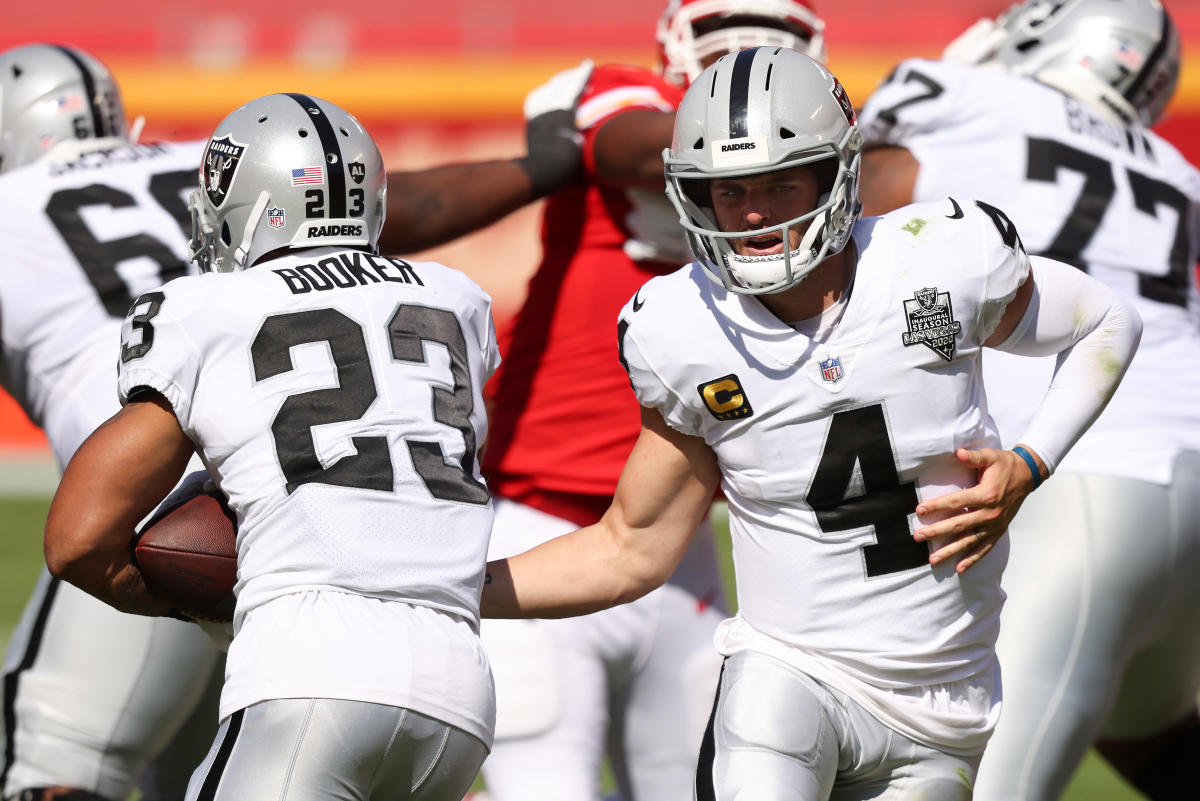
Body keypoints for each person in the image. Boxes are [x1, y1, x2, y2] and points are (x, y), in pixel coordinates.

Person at [478, 46, 1142, 800]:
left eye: (780, 183)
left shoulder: (941, 259)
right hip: (789, 674)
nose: (753, 212)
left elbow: (1105, 321)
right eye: (728, 191)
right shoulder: (679, 328)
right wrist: (442, 583)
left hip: (944, 702)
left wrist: (1030, 461)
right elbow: (631, 547)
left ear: (836, 172)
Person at [383, 5, 828, 800]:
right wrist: (765, 141)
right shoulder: (621, 97)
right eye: (729, 25)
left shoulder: (819, 171)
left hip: (680, 541)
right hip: (537, 519)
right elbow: (626, 144)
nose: (751, 47)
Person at [41, 92, 499, 799]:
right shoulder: (457, 299)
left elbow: (76, 537)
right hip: (459, 695)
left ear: (252, 205)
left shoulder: (208, 311)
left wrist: (169, 599)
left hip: (310, 669)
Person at [855, 1, 1200, 798]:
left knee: (965, 783)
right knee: (1153, 737)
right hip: (1182, 463)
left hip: (1079, 479)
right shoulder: (1172, 164)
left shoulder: (965, 94)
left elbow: (844, 210)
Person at [0, 44, 223, 801]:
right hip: (298, 499)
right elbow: (417, 207)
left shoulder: (11, 207)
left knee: (51, 763)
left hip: (157, 515)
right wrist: (543, 164)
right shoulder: (210, 162)